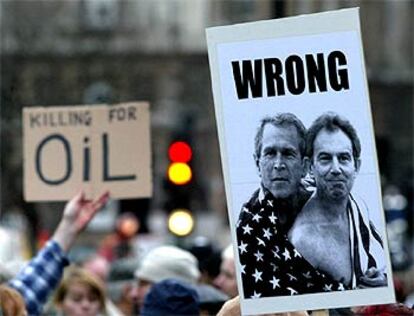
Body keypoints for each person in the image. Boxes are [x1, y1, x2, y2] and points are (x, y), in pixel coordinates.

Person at [237, 113, 345, 299]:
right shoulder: (249, 222)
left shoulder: (334, 204)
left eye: (288, 154)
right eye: (270, 153)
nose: (279, 164)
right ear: (258, 163)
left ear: (304, 166)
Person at [289, 112, 386, 289]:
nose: (336, 169)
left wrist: (381, 281)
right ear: (310, 166)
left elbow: (377, 261)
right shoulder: (304, 241)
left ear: (356, 166)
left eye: (343, 158)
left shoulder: (359, 205)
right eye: (326, 158)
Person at [2, 190, 109, 316]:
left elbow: (33, 283)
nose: (85, 306)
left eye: (92, 299)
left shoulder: (8, 304)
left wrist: (70, 225)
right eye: (76, 299)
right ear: (60, 303)